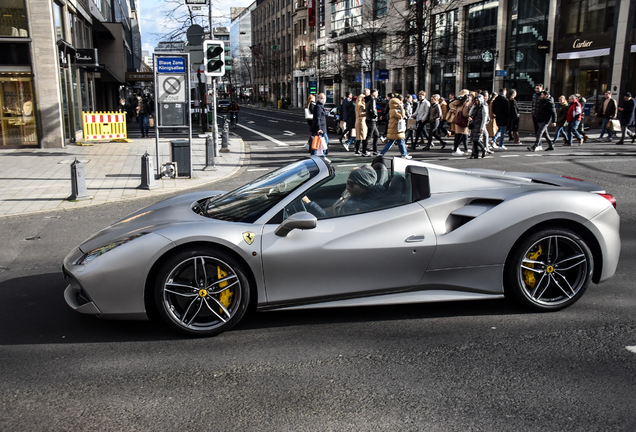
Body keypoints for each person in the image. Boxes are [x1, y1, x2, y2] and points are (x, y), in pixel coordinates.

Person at [301, 166, 386, 218]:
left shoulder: (363, 209)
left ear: (364, 185)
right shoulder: (356, 195)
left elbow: (333, 221)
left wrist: (309, 203)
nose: (348, 187)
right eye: (347, 182)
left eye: (351, 184)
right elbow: (333, 211)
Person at [449, 90, 471, 156]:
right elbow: (451, 104)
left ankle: (465, 149)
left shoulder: (463, 100)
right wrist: (455, 110)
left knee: (464, 135)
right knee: (460, 135)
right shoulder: (461, 99)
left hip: (461, 118)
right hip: (461, 119)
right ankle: (455, 149)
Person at [468, 94, 488, 159]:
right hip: (474, 124)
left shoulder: (484, 107)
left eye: (477, 100)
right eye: (475, 100)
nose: (476, 101)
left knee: (477, 140)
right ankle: (476, 154)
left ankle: (483, 148)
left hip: (479, 124)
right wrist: (473, 107)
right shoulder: (476, 107)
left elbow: (484, 118)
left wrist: (482, 127)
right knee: (474, 140)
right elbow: (470, 114)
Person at [363, 89, 381, 156]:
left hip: (370, 119)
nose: (377, 94)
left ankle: (375, 150)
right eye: (376, 93)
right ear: (373, 93)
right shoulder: (372, 100)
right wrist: (375, 115)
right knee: (369, 136)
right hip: (372, 120)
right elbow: (373, 109)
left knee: (376, 134)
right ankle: (364, 151)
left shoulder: (368, 100)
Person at [310, 92, 329, 157]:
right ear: (318, 99)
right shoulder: (318, 107)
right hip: (320, 129)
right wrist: (319, 128)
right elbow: (317, 118)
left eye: (324, 98)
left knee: (318, 144)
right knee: (321, 143)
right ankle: (321, 157)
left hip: (322, 128)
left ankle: (314, 157)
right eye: (321, 98)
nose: (323, 99)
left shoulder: (320, 106)